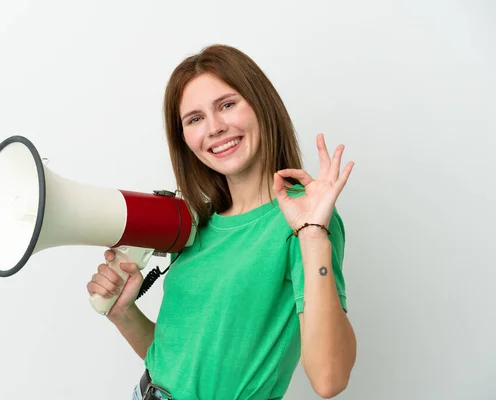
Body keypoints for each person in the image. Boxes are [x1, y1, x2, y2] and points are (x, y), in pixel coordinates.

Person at [87, 44, 357, 400]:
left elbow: (329, 379)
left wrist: (312, 235)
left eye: (227, 105)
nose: (214, 128)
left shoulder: (304, 220)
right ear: (184, 138)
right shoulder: (194, 222)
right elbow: (181, 364)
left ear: (262, 106)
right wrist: (123, 313)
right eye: (195, 119)